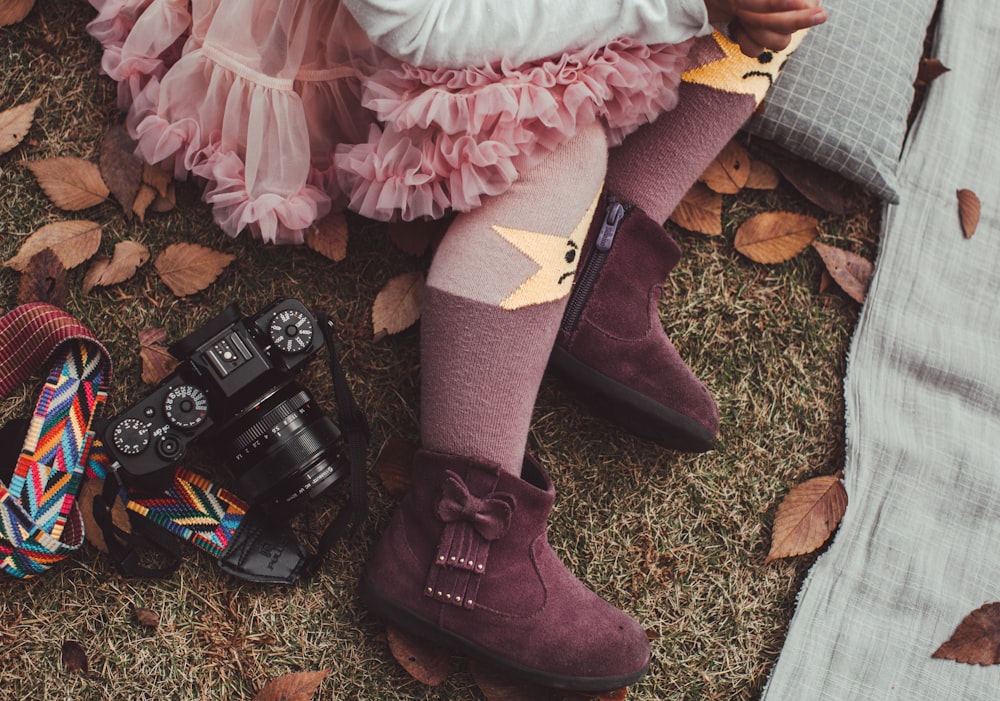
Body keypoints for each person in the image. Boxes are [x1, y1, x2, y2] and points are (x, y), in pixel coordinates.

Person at [85, 0, 826, 690]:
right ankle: (458, 547)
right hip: (362, 42)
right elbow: (424, 25)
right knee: (560, 153)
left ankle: (600, 267)